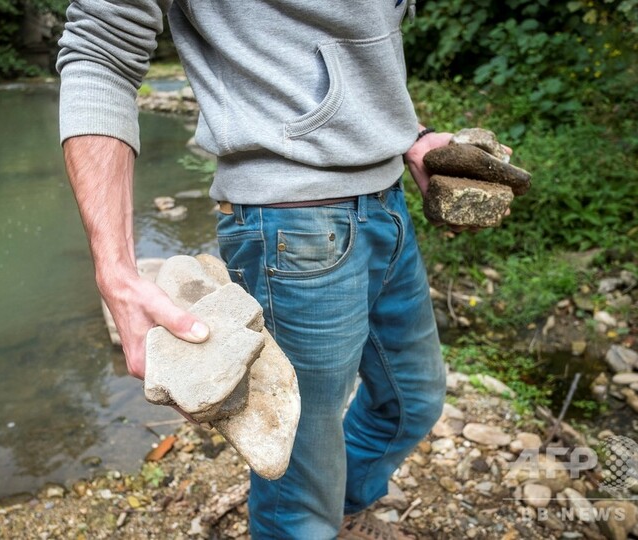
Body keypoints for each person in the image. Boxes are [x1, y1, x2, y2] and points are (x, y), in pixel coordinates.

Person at [57, 1, 509, 538]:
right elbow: (100, 48)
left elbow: (338, 49)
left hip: (387, 203)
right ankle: (308, 523)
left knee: (412, 402)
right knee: (296, 464)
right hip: (292, 227)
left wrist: (406, 134)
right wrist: (116, 270)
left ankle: (338, 511)